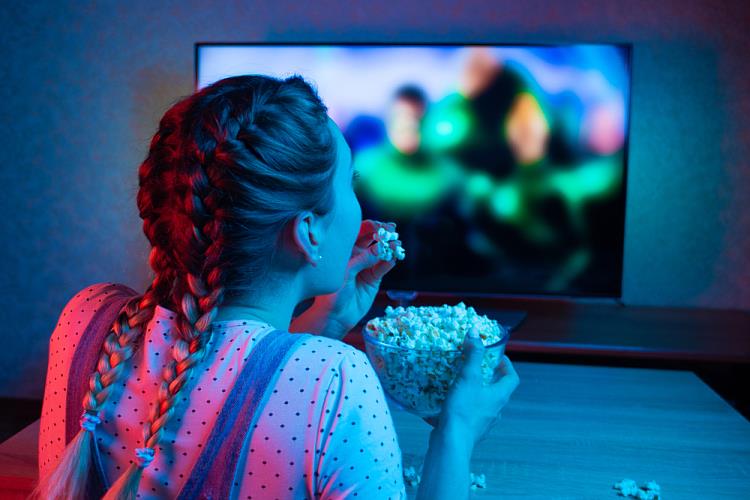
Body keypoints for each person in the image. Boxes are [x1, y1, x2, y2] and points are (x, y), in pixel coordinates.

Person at [34, 73, 519, 499]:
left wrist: (325, 321)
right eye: (349, 183)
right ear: (308, 232)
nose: (359, 205)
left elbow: (226, 380)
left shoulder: (87, 319)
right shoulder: (338, 381)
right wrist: (457, 431)